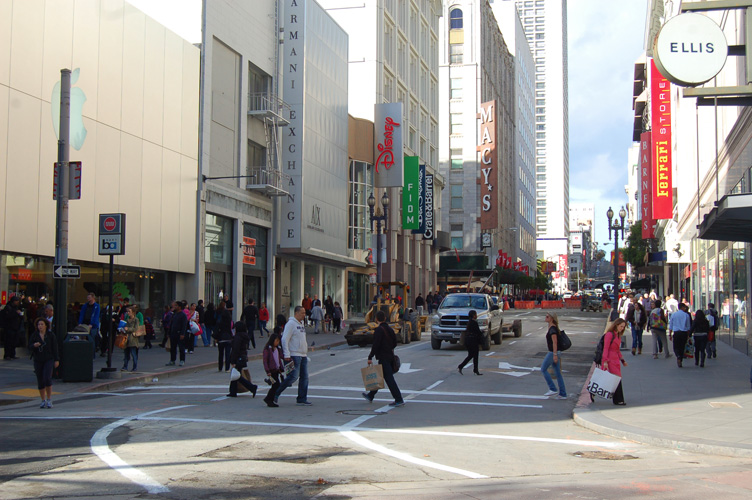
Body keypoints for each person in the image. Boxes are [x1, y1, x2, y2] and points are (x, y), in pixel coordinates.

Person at [362, 309, 405, 407]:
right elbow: (395, 342)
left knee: (389, 379)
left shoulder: (379, 330)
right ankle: (371, 395)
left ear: (376, 319)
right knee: (380, 376)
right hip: (390, 355)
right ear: (385, 318)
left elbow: (376, 345)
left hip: (383, 357)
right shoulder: (390, 329)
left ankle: (399, 399)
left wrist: (370, 357)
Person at [274, 306, 311, 406]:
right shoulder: (291, 324)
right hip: (294, 355)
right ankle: (276, 393)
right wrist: (286, 354)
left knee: (305, 377)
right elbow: (284, 339)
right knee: (293, 377)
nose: (304, 315)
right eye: (302, 313)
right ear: (296, 313)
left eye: (304, 313)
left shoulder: (301, 324)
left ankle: (302, 398)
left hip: (303, 354)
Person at [29, 318, 59, 408]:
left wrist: (56, 359)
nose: (40, 326)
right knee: (40, 379)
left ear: (46, 325)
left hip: (48, 359)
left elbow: (55, 347)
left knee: (47, 378)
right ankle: (43, 400)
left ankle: (49, 399)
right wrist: (34, 345)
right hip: (38, 359)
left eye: (42, 324)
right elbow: (29, 346)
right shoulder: (34, 335)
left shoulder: (50, 335)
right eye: (38, 325)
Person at [601, 318, 628, 405]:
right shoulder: (609, 335)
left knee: (615, 379)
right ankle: (619, 399)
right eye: (621, 326)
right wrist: (605, 361)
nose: (622, 328)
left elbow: (617, 350)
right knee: (617, 378)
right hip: (610, 360)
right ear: (616, 325)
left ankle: (617, 399)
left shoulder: (617, 335)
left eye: (623, 327)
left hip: (615, 360)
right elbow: (606, 348)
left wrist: (622, 360)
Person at [227, 322, 258, 398]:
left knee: (237, 375)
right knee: (235, 374)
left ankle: (251, 387)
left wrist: (233, 360)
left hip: (238, 358)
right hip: (242, 357)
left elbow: (235, 350)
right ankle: (233, 391)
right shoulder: (244, 336)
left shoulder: (238, 337)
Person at [541, 312, 566, 399]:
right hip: (555, 352)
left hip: (553, 352)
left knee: (543, 369)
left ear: (551, 318)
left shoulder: (552, 329)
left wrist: (555, 355)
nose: (545, 317)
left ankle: (552, 388)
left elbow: (555, 342)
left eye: (547, 316)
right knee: (558, 373)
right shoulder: (552, 327)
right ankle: (563, 394)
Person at [457, 310, 483, 376]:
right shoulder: (474, 323)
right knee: (475, 356)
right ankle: (475, 370)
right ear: (474, 315)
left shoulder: (469, 322)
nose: (476, 316)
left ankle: (462, 366)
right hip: (473, 341)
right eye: (476, 314)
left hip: (468, 340)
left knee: (471, 355)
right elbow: (478, 332)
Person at [262, 332, 285, 407]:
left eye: (278, 341)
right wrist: (267, 371)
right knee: (276, 385)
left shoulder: (277, 349)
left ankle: (269, 399)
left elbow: (280, 357)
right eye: (276, 341)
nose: (277, 342)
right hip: (271, 371)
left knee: (275, 385)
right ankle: (269, 399)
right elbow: (265, 361)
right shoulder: (267, 349)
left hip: (276, 370)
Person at [669, 302, 692, 368]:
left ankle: (678, 355)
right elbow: (688, 326)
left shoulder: (674, 315)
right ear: (682, 307)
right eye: (684, 307)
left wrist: (670, 334)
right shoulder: (686, 315)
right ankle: (680, 358)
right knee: (682, 347)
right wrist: (688, 335)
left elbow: (671, 325)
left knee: (676, 346)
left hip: (676, 332)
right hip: (683, 333)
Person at [78, 293, 100, 358]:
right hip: (85, 324)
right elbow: (82, 314)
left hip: (92, 326)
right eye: (88, 298)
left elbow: (96, 316)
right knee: (83, 339)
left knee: (91, 339)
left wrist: (92, 324)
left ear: (93, 298)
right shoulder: (85, 306)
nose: (88, 299)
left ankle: (92, 355)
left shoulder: (96, 306)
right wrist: (80, 322)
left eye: (89, 297)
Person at [166, 301, 187, 367]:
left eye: (176, 306)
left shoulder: (183, 315)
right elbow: (171, 324)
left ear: (179, 307)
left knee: (181, 347)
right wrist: (169, 333)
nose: (174, 307)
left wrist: (182, 333)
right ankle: (172, 360)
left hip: (179, 333)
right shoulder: (174, 314)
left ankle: (182, 360)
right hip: (173, 333)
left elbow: (184, 325)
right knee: (173, 348)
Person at [214, 300, 233, 372]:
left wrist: (216, 338)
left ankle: (220, 367)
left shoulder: (219, 322)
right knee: (227, 354)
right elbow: (232, 329)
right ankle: (227, 368)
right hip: (228, 337)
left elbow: (216, 330)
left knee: (220, 353)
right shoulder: (230, 323)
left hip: (221, 338)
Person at [122, 306, 141, 372]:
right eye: (127, 311)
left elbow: (136, 329)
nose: (128, 313)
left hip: (133, 339)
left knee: (133, 354)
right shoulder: (127, 320)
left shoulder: (136, 320)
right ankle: (125, 366)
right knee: (126, 354)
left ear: (133, 312)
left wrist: (128, 329)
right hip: (126, 338)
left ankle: (134, 367)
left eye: (129, 311)